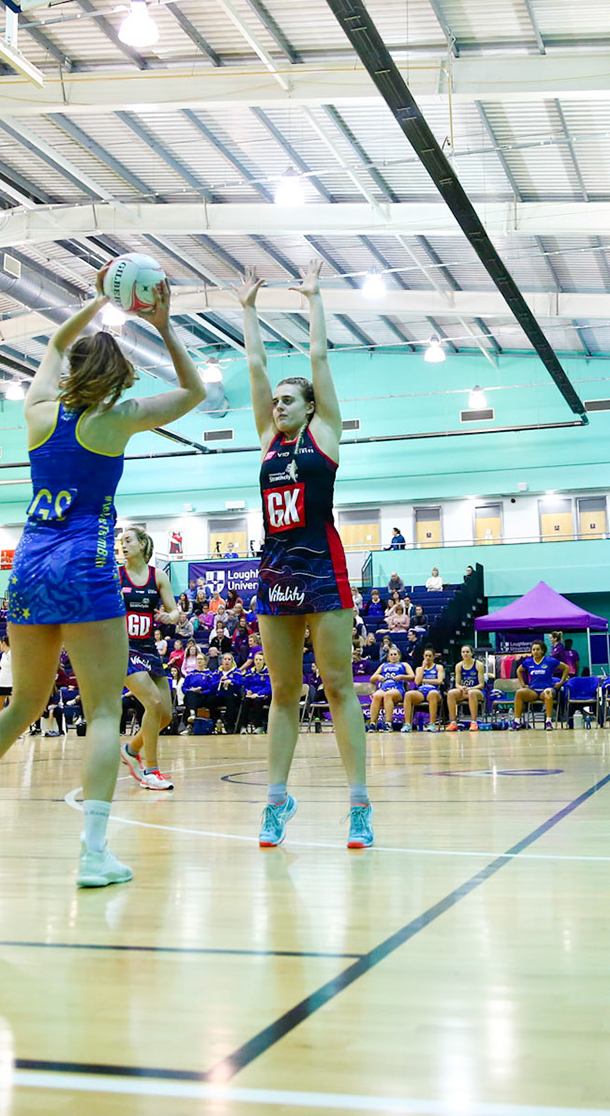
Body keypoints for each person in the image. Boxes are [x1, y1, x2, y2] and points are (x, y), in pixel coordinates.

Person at [0, 275, 203, 883]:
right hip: (85, 565)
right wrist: (162, 324)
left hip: (28, 565)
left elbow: (53, 345)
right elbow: (194, 391)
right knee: (103, 714)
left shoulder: (39, 413)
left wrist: (98, 300)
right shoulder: (117, 419)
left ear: (73, 371)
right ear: (117, 376)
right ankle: (93, 853)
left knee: (21, 706)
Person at [237, 265, 372, 849]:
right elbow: (255, 367)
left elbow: (319, 359)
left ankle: (359, 805)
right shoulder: (269, 442)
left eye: (288, 401)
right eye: (275, 402)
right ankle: (276, 801)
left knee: (338, 686)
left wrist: (314, 298)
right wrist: (248, 310)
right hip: (275, 570)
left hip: (323, 566)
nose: (277, 406)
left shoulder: (326, 434)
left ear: (311, 407)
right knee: (283, 692)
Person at [117, 524, 178, 790]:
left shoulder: (158, 576)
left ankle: (131, 750)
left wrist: (169, 617)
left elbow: (175, 611)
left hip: (149, 649)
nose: (123, 545)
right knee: (152, 703)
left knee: (165, 716)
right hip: (124, 649)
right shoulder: (116, 576)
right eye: (121, 541)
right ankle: (151, 772)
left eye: (128, 540)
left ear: (142, 544)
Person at [511, 640, 564, 728]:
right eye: (533, 650)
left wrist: (561, 682)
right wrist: (523, 684)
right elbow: (519, 671)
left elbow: (566, 668)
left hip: (546, 689)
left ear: (542, 651)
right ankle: (517, 721)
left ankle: (548, 722)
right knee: (519, 692)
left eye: (538, 649)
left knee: (548, 692)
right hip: (534, 691)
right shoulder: (528, 661)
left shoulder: (549, 661)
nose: (535, 652)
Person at [367, 646, 411, 731]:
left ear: (399, 656)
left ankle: (388, 723)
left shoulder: (404, 664)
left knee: (388, 695)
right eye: (391, 654)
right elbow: (372, 678)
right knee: (376, 696)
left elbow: (412, 676)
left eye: (395, 654)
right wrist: (378, 677)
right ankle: (372, 723)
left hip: (398, 688)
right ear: (388, 657)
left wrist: (402, 676)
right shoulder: (384, 665)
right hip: (384, 688)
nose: (393, 656)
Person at [408, 648, 446, 732]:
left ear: (433, 657)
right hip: (421, 692)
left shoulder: (438, 667)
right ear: (423, 657)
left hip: (434, 691)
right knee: (408, 694)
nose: (427, 658)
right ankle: (407, 724)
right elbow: (417, 682)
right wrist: (423, 667)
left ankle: (432, 723)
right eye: (426, 656)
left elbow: (439, 681)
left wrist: (424, 680)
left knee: (432, 693)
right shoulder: (419, 669)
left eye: (430, 656)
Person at [447, 644, 484, 730]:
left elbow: (481, 685)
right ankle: (453, 722)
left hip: (476, 691)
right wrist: (461, 688)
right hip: (464, 691)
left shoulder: (478, 665)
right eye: (463, 652)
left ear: (471, 653)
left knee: (471, 693)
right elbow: (457, 684)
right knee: (451, 693)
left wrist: (471, 688)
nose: (465, 654)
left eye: (467, 652)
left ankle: (474, 722)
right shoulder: (458, 666)